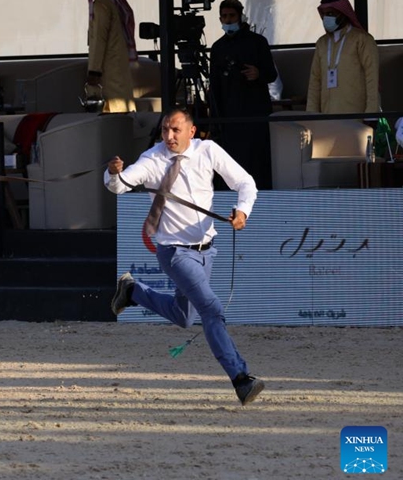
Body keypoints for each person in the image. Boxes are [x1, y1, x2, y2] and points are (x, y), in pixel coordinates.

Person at [104, 108, 264, 406]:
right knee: (211, 310)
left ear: (192, 131)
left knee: (184, 316)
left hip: (207, 250)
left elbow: (245, 183)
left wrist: (242, 211)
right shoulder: (152, 159)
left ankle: (132, 291)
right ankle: (240, 378)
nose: (169, 136)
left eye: (176, 130)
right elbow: (121, 186)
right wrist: (113, 173)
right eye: (165, 130)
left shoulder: (209, 151)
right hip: (174, 252)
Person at [209, 0, 277, 190]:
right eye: (224, 16)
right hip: (229, 115)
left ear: (240, 16)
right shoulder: (218, 47)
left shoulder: (257, 42)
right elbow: (214, 85)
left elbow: (271, 74)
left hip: (255, 112)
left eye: (231, 16)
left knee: (256, 159)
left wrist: (258, 74)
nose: (228, 20)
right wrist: (215, 118)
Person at [306, 0, 379, 114]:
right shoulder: (322, 43)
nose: (326, 18)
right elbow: (314, 81)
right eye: (324, 14)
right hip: (326, 117)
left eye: (330, 14)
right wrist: (311, 114)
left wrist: (371, 113)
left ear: (343, 14)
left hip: (355, 116)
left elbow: (372, 78)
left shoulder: (362, 39)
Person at [87, 0, 136, 113]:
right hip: (119, 72)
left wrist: (93, 73)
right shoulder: (111, 4)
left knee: (114, 116)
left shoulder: (101, 6)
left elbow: (98, 42)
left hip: (109, 76)